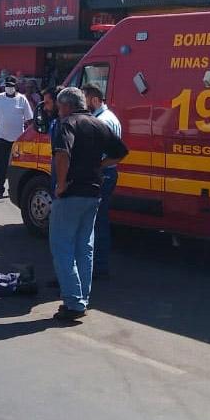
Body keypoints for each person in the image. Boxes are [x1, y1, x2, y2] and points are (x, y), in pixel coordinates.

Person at [49, 87, 127, 321]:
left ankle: (73, 301)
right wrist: (101, 166)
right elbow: (121, 152)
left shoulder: (67, 124)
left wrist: (61, 184)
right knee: (85, 247)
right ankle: (82, 297)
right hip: (93, 191)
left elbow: (62, 154)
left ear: (65, 106)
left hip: (71, 191)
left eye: (59, 106)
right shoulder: (97, 123)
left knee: (63, 247)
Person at [82, 84, 122, 280]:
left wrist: (97, 166)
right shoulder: (110, 117)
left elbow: (111, 153)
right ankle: (100, 264)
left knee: (95, 222)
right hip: (108, 173)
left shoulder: (101, 121)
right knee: (100, 220)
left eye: (85, 99)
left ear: (95, 100)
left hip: (102, 174)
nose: (83, 103)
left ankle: (98, 265)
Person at [0, 76, 34, 201]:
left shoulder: (22, 99)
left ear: (16, 86)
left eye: (11, 85)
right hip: (2, 137)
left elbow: (29, 120)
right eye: (7, 85)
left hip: (17, 139)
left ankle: (13, 189)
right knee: (1, 165)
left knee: (15, 166)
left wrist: (29, 137)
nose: (9, 88)